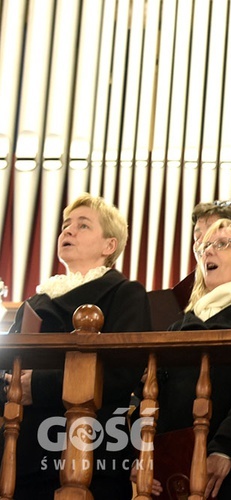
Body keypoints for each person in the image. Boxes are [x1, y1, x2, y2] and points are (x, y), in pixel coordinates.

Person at [4, 193, 151, 499]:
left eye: (83, 225)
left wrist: (40, 386)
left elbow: (121, 375)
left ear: (109, 246)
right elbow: (9, 365)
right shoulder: (35, 301)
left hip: (93, 446)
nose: (67, 231)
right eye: (66, 224)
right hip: (25, 449)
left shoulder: (125, 294)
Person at [139, 218, 231, 499]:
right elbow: (150, 396)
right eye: (205, 246)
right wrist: (144, 452)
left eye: (224, 244)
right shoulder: (177, 327)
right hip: (174, 467)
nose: (208, 252)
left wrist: (224, 448)